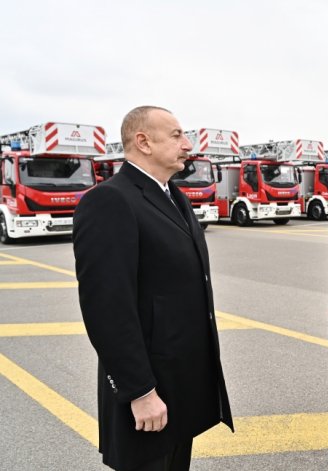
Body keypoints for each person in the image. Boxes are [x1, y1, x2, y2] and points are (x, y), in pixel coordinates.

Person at [72, 106, 233, 471]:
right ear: (143, 142)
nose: (187, 144)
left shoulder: (173, 196)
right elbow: (107, 308)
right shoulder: (110, 201)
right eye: (176, 135)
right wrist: (139, 392)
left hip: (179, 387)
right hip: (148, 392)